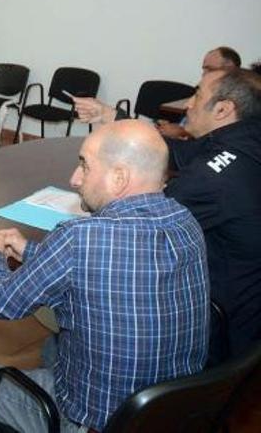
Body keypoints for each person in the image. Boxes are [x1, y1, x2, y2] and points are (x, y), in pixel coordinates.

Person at [0, 119, 209, 432]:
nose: (74, 178)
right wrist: (28, 250)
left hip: (93, 422)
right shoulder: (185, 221)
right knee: (51, 346)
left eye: (84, 165)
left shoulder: (81, 237)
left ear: (119, 177)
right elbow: (104, 264)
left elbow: (1, 302)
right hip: (169, 412)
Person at [75, 68, 261, 362]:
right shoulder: (244, 140)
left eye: (198, 95)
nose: (188, 104)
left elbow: (135, 223)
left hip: (217, 327)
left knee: (95, 286)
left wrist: (92, 199)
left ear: (224, 109)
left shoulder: (213, 178)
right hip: (248, 313)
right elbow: (170, 152)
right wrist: (111, 116)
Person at [158, 46, 243, 139]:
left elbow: (216, 136)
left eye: (210, 69)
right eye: (204, 69)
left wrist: (182, 132)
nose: (204, 74)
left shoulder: (235, 101)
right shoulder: (204, 90)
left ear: (230, 69)